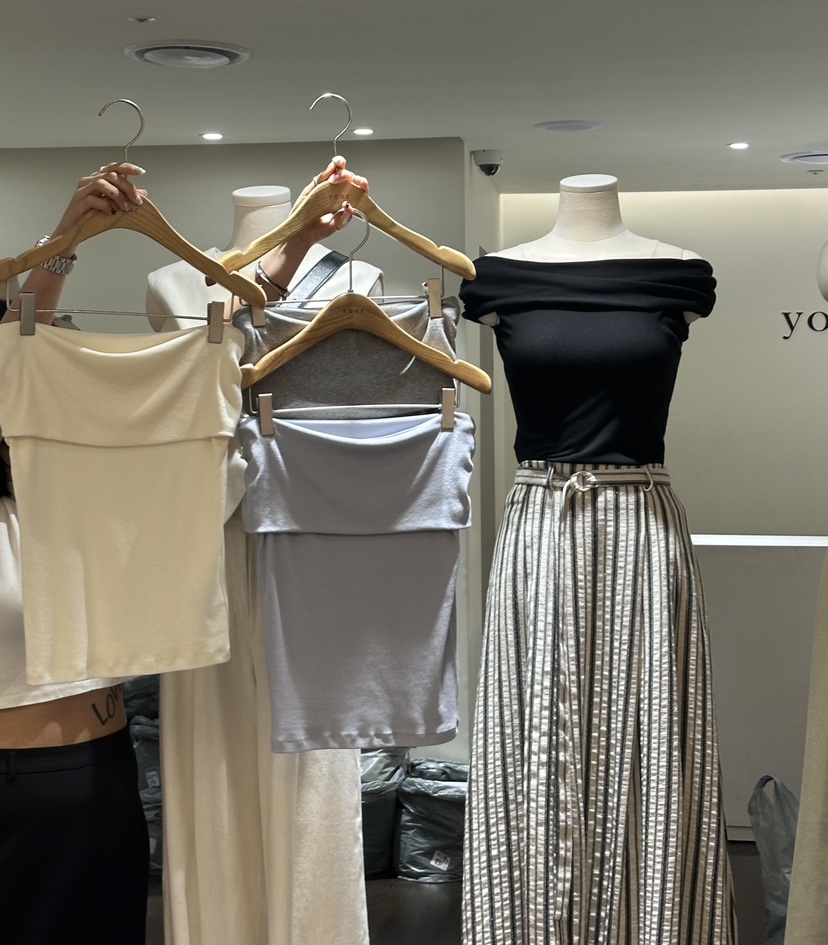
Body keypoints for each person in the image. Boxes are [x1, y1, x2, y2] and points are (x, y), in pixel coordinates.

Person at [460, 174, 736, 945]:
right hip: (541, 524)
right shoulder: (497, 280)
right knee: (533, 736)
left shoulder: (679, 274)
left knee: (654, 738)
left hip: (644, 525)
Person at [0, 163, 152, 945]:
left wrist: (63, 247)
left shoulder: (58, 476)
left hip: (91, 770)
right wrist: (60, 246)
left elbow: (24, 344)